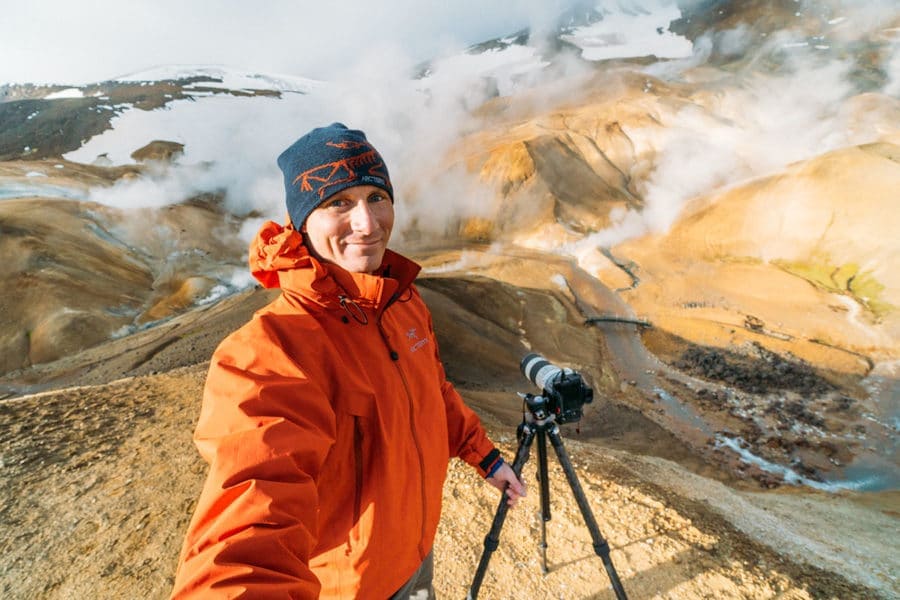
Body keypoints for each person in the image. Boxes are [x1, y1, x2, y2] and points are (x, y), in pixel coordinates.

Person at [171, 123, 526, 599]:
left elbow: (432, 391)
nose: (368, 222)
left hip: (418, 555)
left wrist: (485, 456)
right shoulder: (270, 350)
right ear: (302, 221)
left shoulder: (403, 303)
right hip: (356, 587)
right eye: (339, 202)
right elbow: (252, 511)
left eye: (376, 197)